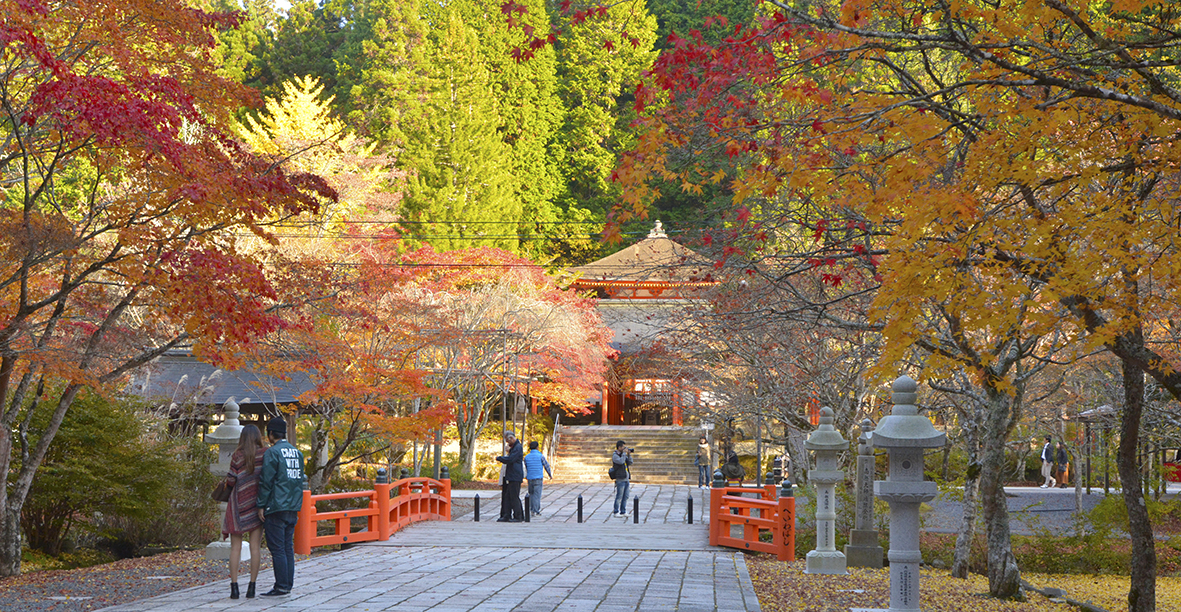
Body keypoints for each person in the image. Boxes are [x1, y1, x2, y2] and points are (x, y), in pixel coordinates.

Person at [256, 416, 305, 597]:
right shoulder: (297, 453)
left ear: (270, 434)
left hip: (276, 505)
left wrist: (261, 505)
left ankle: (281, 586)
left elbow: (266, 481)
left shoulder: (272, 452)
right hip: (293, 505)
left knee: (277, 549)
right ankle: (287, 585)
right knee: (287, 547)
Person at [224, 425, 267, 599]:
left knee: (235, 547)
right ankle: (252, 587)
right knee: (255, 547)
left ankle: (234, 588)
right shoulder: (264, 454)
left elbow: (231, 480)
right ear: (258, 436)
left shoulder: (237, 455)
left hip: (238, 505)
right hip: (257, 505)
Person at [495, 431, 524, 522]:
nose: (507, 443)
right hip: (511, 475)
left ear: (511, 438)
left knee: (514, 496)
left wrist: (500, 458)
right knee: (507, 496)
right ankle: (506, 515)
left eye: (507, 441)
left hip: (515, 476)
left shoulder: (518, 447)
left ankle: (518, 516)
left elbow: (511, 459)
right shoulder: (514, 448)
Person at [523, 440, 552, 515]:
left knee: (531, 494)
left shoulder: (526, 457)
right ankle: (536, 510)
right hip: (538, 477)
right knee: (537, 495)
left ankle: (531, 509)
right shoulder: (540, 456)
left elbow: (525, 466)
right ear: (537, 447)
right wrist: (549, 474)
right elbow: (546, 465)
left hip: (530, 477)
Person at [612, 440, 633, 517]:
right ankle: (616, 511)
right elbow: (621, 462)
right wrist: (624, 454)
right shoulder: (615, 455)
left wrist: (629, 455)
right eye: (623, 447)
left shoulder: (623, 455)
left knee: (626, 496)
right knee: (619, 496)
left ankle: (623, 511)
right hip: (620, 479)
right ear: (619, 447)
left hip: (626, 478)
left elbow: (630, 462)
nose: (624, 448)